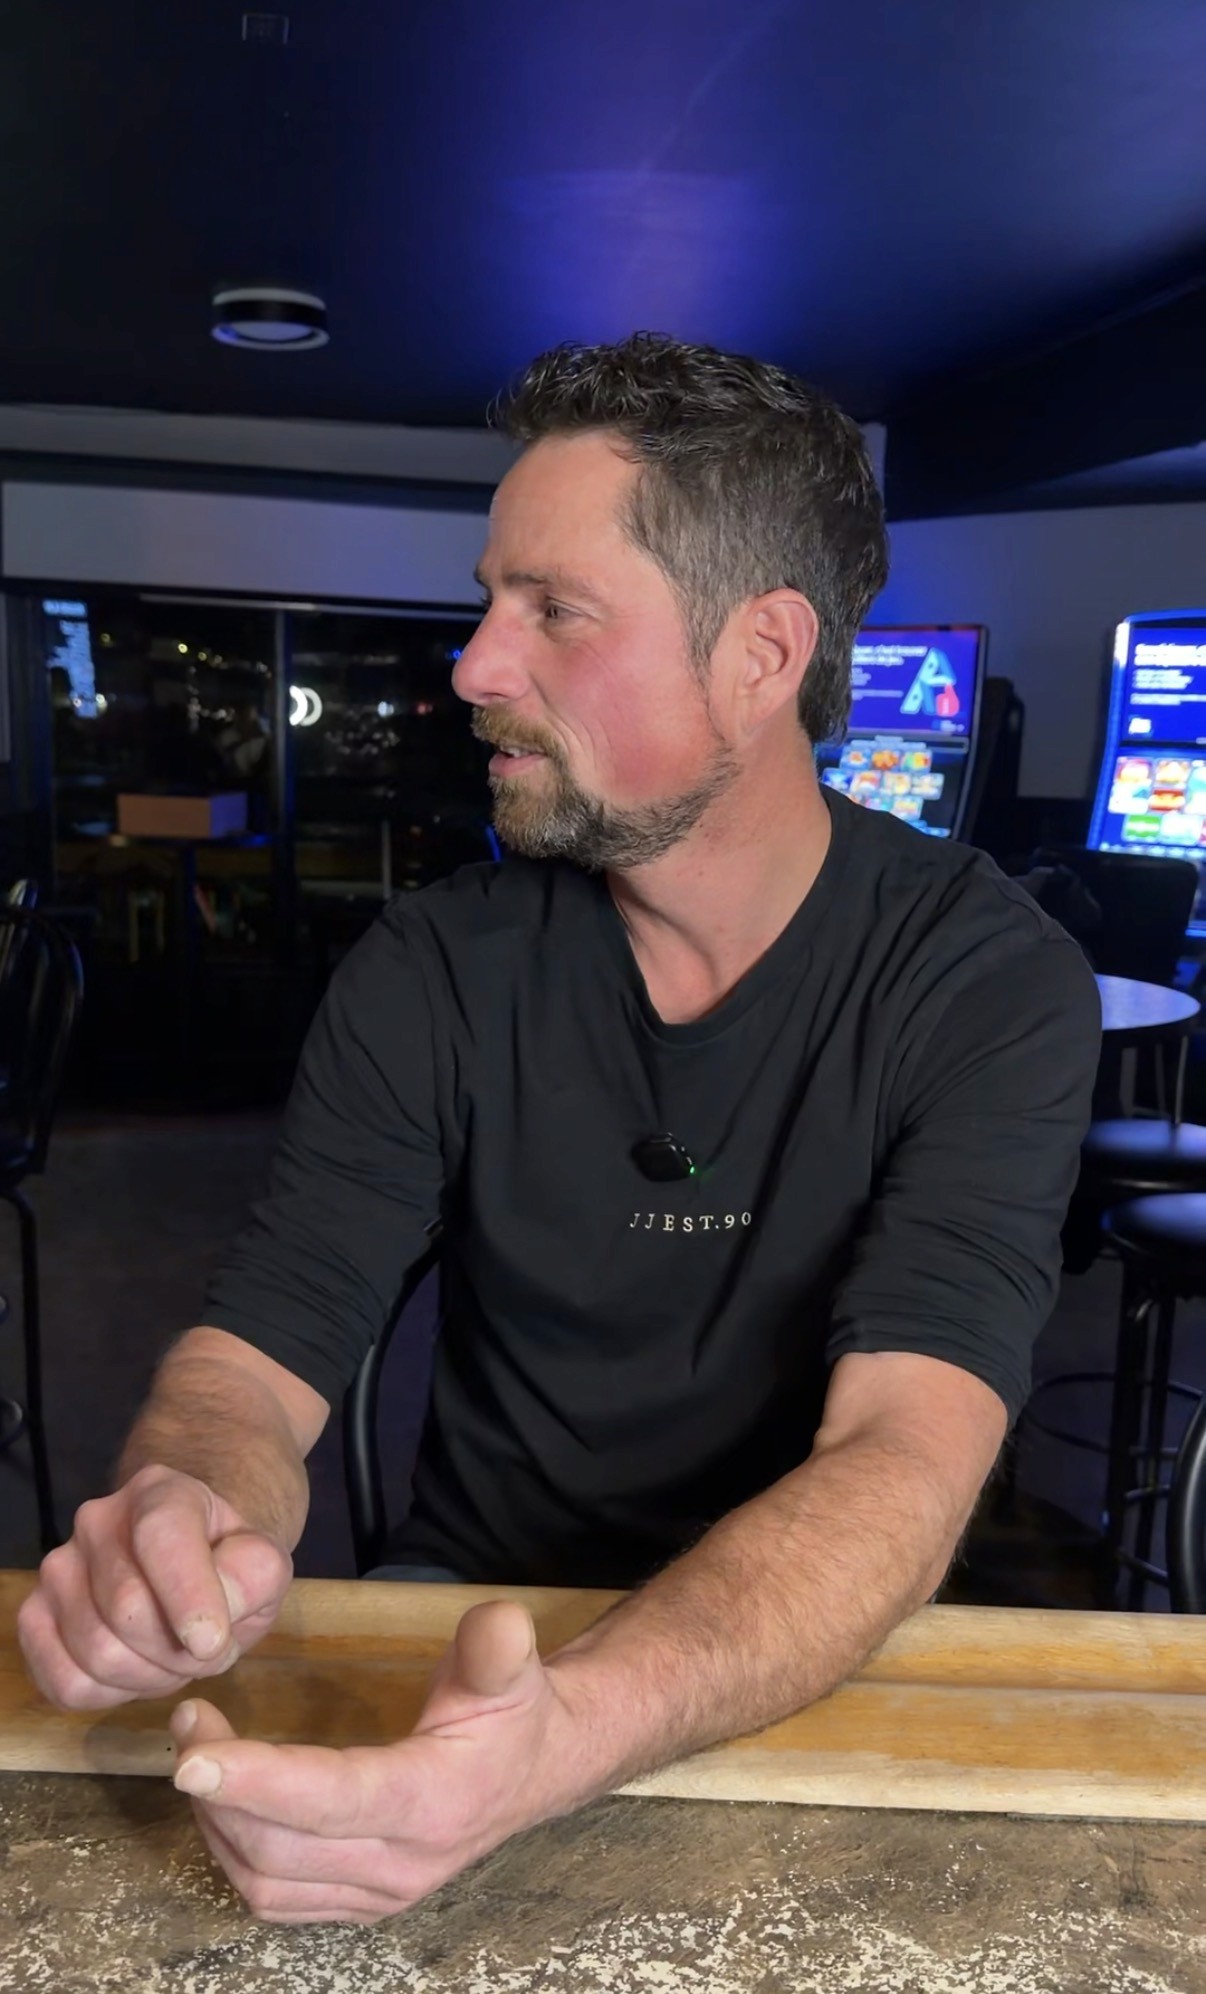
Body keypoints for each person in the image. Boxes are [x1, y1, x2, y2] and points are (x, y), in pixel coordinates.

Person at [18, 334, 1100, 1925]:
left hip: (813, 1633)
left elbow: (904, 1450)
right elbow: (258, 1349)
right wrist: (190, 1502)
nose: (471, 665)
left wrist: (566, 1734)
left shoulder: (984, 980)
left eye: (553, 610)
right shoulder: (433, 964)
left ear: (759, 651)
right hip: (475, 1609)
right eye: (488, 599)